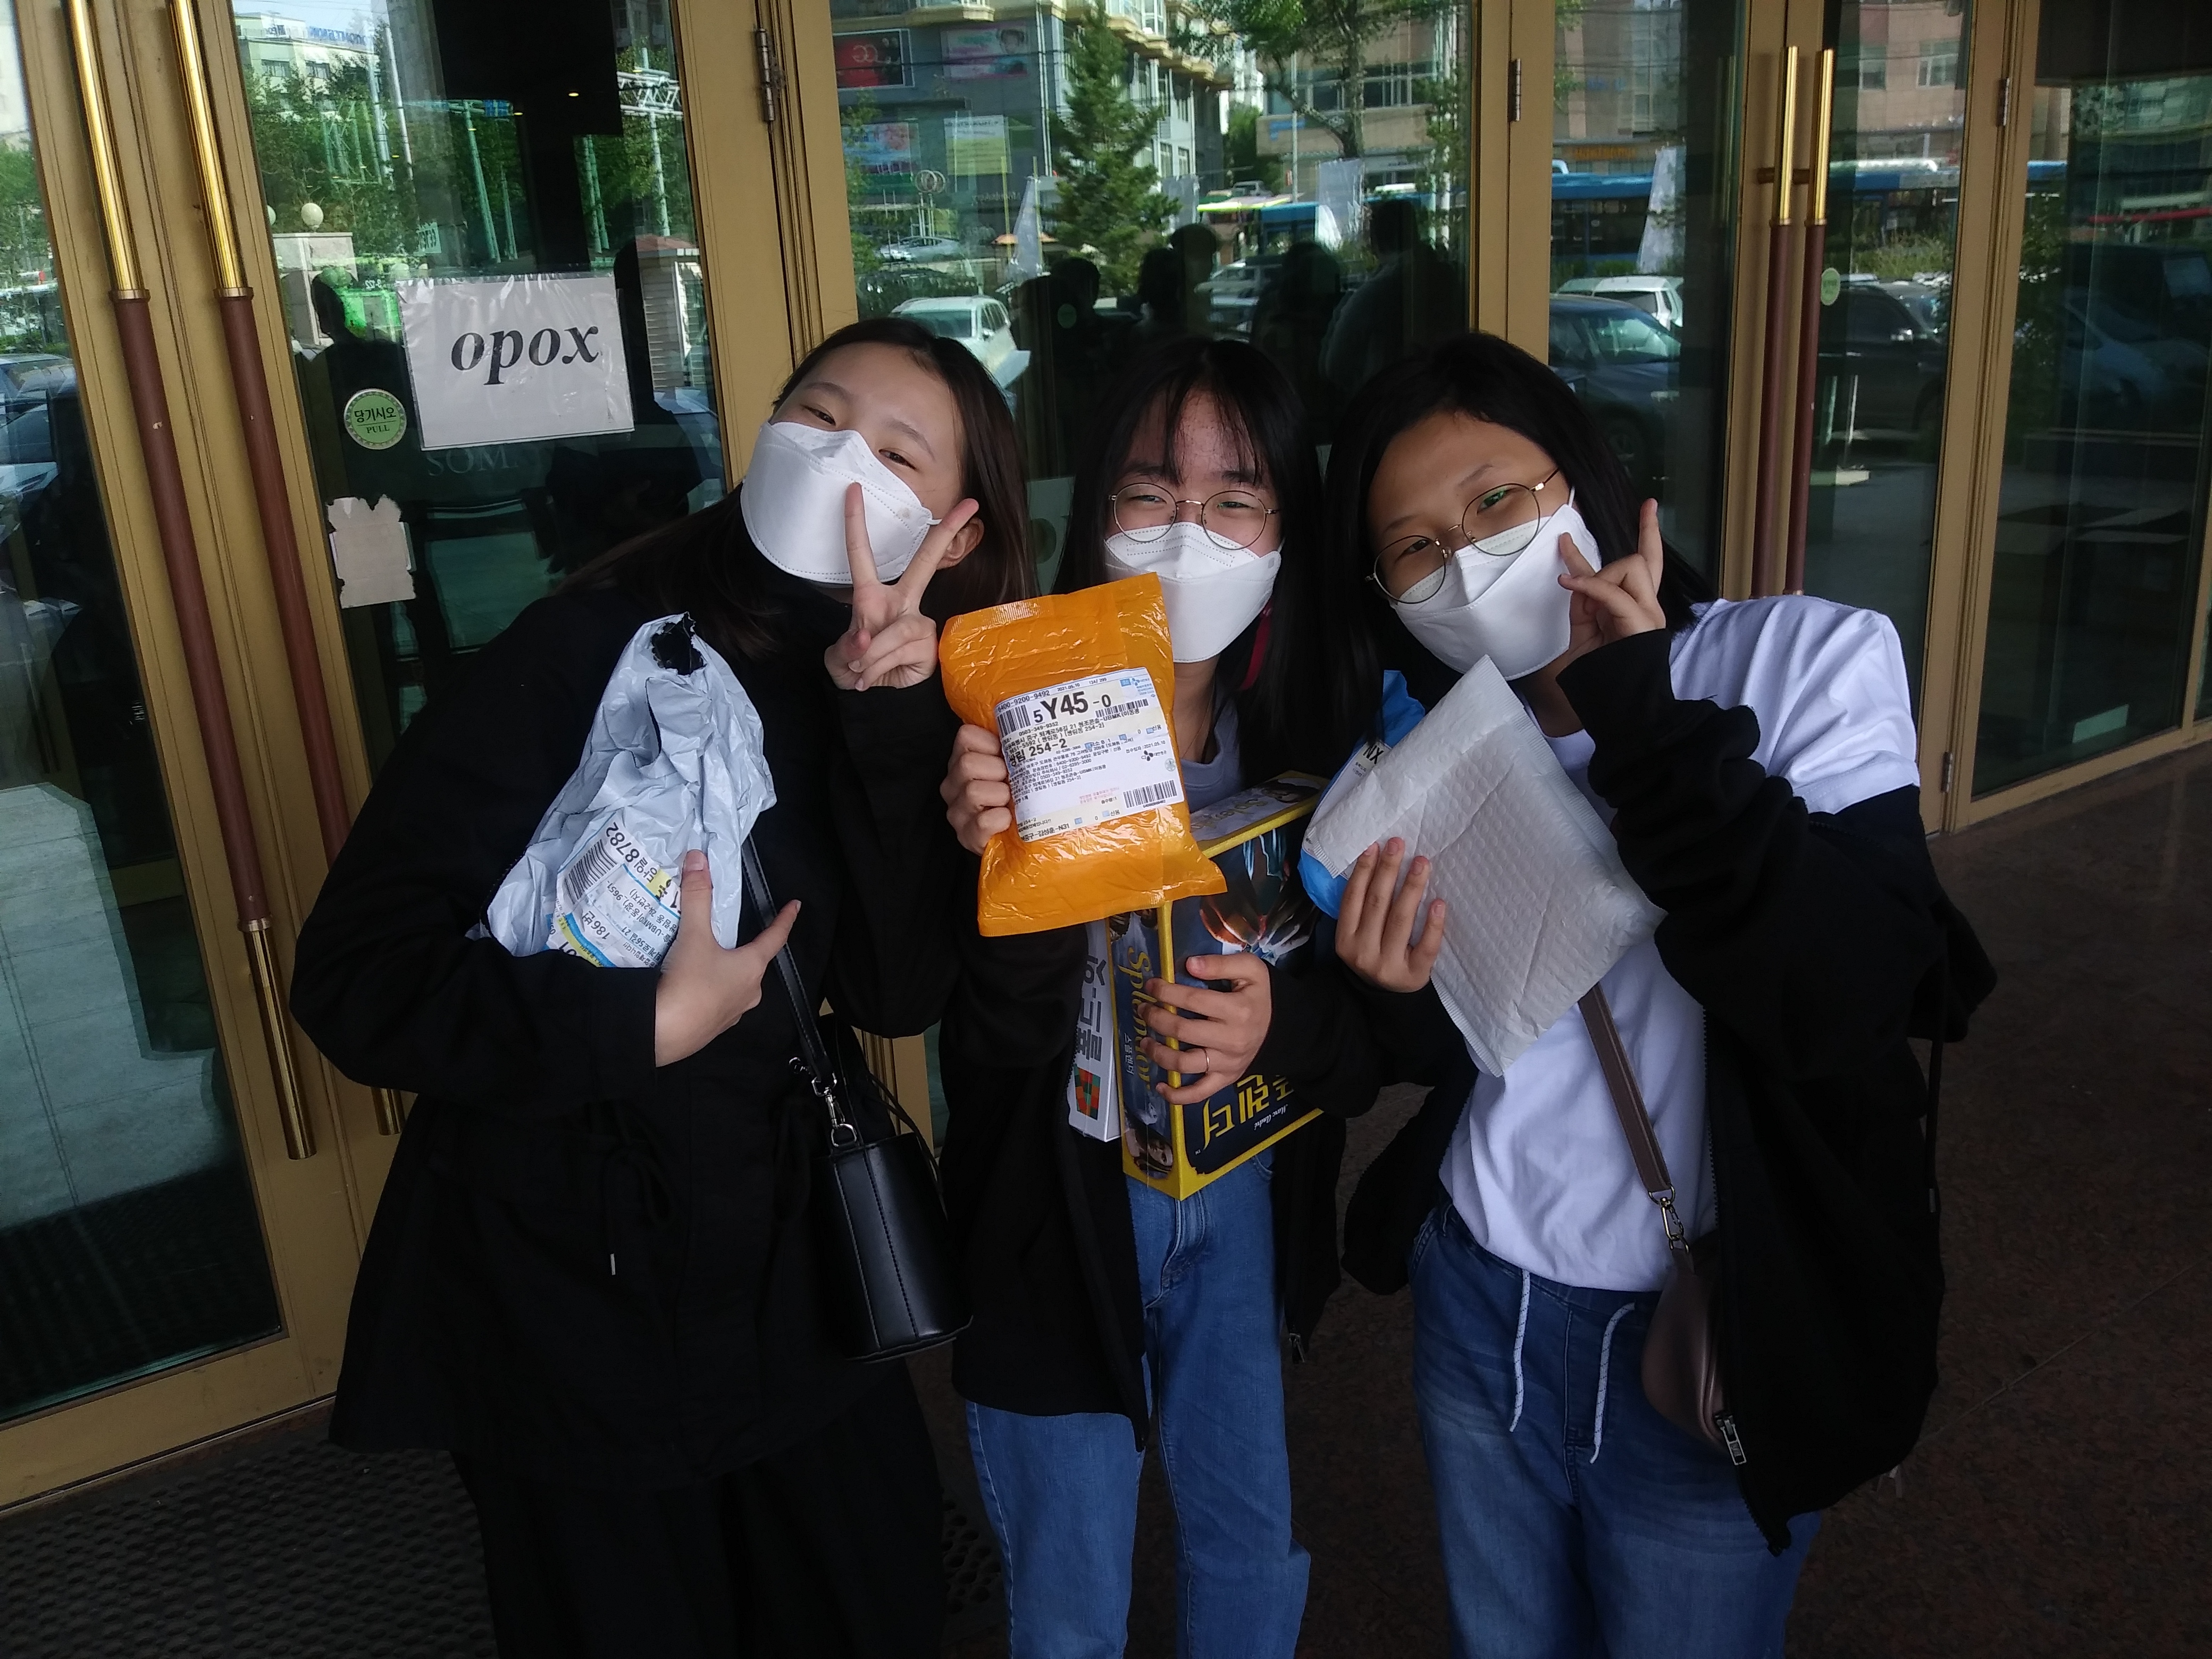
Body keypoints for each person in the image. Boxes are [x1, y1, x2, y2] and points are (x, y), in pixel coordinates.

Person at [289, 316, 1034, 1659]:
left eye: (896, 451)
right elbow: (356, 974)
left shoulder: (927, 692)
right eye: (818, 414)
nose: (839, 457)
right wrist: (637, 1024)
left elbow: (893, 992)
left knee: (867, 1603)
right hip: (564, 1280)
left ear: (958, 528)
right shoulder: (589, 644)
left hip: (791, 1272)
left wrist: (882, 718)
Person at [1316, 332, 1992, 1659]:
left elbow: (1841, 996)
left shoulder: (1798, 660)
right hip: (1479, 1300)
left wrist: (1641, 713)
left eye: (1494, 501)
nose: (1466, 558)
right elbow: (1458, 1040)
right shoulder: (1424, 755)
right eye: (1416, 547)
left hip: (1706, 1316)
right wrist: (1392, 990)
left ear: (1579, 479)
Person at [935, 336, 1381, 1658]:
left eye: (1236, 498)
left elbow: (1378, 1025)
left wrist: (1279, 1024)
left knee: (1250, 1546)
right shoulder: (1006, 709)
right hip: (1057, 1215)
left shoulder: (1313, 728)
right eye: (1149, 493)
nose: (1188, 533)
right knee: (1071, 1597)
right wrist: (998, 866)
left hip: (1239, 1196)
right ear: (1097, 512)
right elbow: (976, 1036)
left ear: (1286, 528)